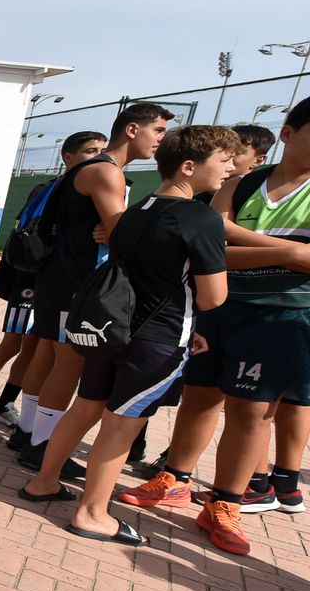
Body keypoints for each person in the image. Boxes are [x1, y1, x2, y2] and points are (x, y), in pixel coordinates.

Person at [19, 125, 236, 547]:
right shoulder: (201, 217)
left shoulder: (138, 209)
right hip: (159, 337)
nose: (228, 169)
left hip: (112, 330)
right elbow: (212, 298)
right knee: (120, 426)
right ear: (190, 166)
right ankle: (93, 513)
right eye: (223, 161)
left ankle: (42, 481)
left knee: (84, 408)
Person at [119, 98, 310, 552]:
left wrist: (232, 246)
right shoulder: (246, 183)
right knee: (200, 397)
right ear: (288, 133)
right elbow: (213, 243)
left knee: (251, 410)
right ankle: (174, 479)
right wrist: (286, 252)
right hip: (219, 304)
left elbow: (220, 240)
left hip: (282, 314)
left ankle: (225, 503)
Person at [17, 103, 173, 473]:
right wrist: (127, 228)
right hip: (75, 282)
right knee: (67, 365)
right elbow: (122, 233)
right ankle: (39, 446)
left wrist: (116, 228)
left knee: (51, 358)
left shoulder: (93, 169)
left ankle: (27, 433)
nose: (161, 141)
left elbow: (113, 229)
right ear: (133, 130)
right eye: (159, 131)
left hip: (62, 278)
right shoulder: (106, 172)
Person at [0, 133, 107, 432]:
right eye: (91, 151)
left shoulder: (91, 188)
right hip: (30, 280)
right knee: (12, 343)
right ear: (68, 156)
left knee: (35, 348)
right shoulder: (51, 190)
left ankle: (4, 404)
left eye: (102, 151)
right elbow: (33, 237)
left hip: (57, 284)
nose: (99, 157)